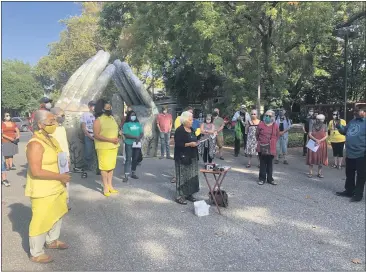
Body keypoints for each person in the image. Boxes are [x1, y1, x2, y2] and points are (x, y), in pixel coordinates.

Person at [25, 110, 71, 263]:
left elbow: (60, 157)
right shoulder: (35, 144)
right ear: (40, 124)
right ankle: (36, 253)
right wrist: (60, 176)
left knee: (57, 213)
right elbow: (36, 171)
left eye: (55, 121)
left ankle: (52, 240)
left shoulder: (51, 139)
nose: (54, 124)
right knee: (40, 219)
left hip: (58, 185)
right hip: (43, 189)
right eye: (51, 122)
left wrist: (64, 169)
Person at [336, 106, 366, 202]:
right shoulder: (353, 121)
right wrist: (338, 126)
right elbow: (344, 131)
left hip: (362, 153)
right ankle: (349, 191)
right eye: (355, 111)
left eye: (357, 111)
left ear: (364, 112)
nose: (355, 112)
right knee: (349, 173)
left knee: (361, 175)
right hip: (350, 153)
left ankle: (358, 195)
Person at [93, 99, 120, 197]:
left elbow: (115, 130)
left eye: (110, 107)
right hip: (103, 148)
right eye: (107, 108)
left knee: (111, 167)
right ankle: (105, 187)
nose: (109, 109)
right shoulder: (98, 120)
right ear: (102, 109)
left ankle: (110, 186)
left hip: (113, 147)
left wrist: (118, 136)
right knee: (104, 168)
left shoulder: (112, 118)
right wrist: (110, 140)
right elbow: (96, 135)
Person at [174, 111, 199, 204]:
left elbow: (195, 139)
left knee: (191, 176)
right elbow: (178, 144)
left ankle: (189, 193)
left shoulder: (192, 129)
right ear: (185, 120)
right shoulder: (180, 130)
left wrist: (197, 142)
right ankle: (179, 196)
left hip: (192, 156)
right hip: (182, 156)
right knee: (182, 176)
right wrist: (189, 144)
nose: (192, 121)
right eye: (190, 119)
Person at [50, 107, 71, 210]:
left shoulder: (62, 128)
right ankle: (56, 203)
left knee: (65, 181)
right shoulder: (50, 129)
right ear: (54, 116)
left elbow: (65, 144)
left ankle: (65, 202)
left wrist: (68, 157)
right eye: (61, 115)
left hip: (64, 158)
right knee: (55, 181)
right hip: (54, 158)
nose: (63, 117)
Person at [256, 110, 280, 185]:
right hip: (262, 146)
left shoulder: (275, 125)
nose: (267, 117)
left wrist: (273, 142)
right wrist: (261, 142)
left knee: (270, 164)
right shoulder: (261, 125)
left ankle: (270, 179)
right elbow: (257, 135)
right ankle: (262, 179)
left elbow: (277, 135)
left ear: (273, 117)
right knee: (262, 163)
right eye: (266, 115)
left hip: (271, 147)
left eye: (270, 116)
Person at [123, 110, 144, 182]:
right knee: (128, 159)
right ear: (129, 116)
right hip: (129, 143)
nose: (133, 116)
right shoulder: (126, 124)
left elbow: (141, 133)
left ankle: (133, 173)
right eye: (132, 115)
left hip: (137, 144)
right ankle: (126, 175)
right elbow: (126, 134)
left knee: (135, 159)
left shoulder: (137, 124)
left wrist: (139, 138)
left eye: (134, 115)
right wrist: (135, 137)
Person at [80, 101, 99, 174]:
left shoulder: (98, 115)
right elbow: (83, 127)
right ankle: (87, 167)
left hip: (97, 136)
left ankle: (98, 169)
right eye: (92, 106)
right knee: (88, 153)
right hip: (88, 135)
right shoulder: (85, 115)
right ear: (89, 106)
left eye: (95, 105)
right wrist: (90, 136)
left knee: (98, 153)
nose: (94, 107)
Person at [306, 114, 328, 178]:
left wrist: (319, 141)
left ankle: (319, 173)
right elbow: (309, 134)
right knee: (311, 158)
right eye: (321, 119)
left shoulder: (324, 126)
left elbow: (326, 135)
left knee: (320, 158)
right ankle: (310, 173)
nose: (322, 121)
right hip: (312, 143)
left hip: (321, 143)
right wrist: (316, 140)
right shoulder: (312, 125)